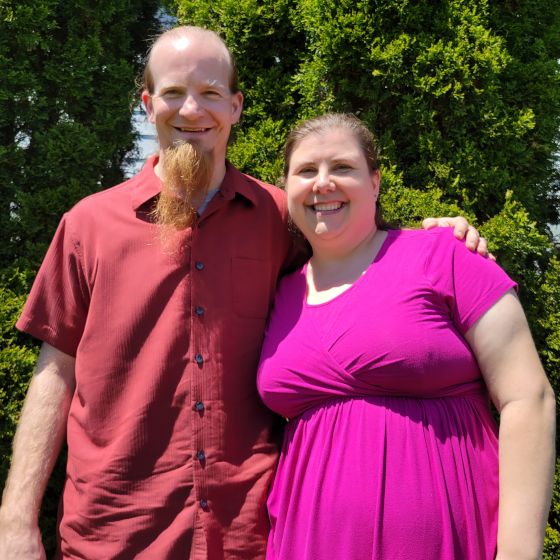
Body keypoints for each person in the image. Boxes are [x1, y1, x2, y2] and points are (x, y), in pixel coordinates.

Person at [0, 27, 486, 560]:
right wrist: (16, 519)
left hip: (247, 534)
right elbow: (55, 373)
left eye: (210, 93)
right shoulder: (88, 225)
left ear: (235, 106)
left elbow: (358, 262)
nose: (192, 109)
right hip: (115, 532)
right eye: (173, 92)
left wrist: (440, 239)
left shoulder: (281, 218)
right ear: (147, 104)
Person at [257, 113, 556, 560]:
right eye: (306, 171)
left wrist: (518, 553)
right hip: (306, 543)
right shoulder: (279, 292)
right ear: (287, 188)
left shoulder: (444, 255)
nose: (322, 183)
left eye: (342, 167)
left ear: (375, 182)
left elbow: (528, 398)